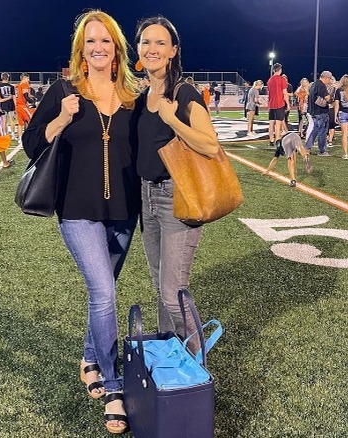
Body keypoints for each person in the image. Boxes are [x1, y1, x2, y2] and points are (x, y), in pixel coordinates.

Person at [22, 10, 139, 435]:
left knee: (102, 292)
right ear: (81, 50)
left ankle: (90, 357)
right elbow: (30, 144)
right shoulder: (63, 91)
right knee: (104, 292)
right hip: (77, 211)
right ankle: (113, 386)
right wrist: (60, 119)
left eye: (105, 41)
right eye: (91, 41)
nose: (98, 48)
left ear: (116, 48)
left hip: (125, 212)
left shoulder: (133, 95)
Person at [134, 12, 220, 375]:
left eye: (159, 42)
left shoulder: (183, 92)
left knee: (173, 291)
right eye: (145, 42)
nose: (152, 48)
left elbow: (210, 144)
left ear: (172, 51)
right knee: (159, 286)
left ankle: (195, 360)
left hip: (176, 198)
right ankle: (171, 352)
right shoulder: (142, 96)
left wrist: (172, 119)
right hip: (146, 198)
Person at [305, 71, 333, 156]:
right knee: (322, 131)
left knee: (315, 129)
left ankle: (307, 148)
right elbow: (327, 98)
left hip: (313, 111)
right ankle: (322, 150)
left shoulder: (314, 84)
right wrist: (331, 99)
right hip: (321, 112)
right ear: (326, 77)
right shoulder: (321, 85)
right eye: (329, 79)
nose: (329, 81)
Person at [267, 63, 289, 146]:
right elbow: (285, 92)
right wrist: (288, 104)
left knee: (271, 123)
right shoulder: (282, 79)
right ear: (280, 70)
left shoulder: (270, 80)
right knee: (278, 123)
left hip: (271, 103)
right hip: (279, 103)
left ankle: (271, 140)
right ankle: (277, 140)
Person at [15, 73, 34, 138]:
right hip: (23, 106)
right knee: (31, 120)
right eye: (28, 78)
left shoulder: (17, 85)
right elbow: (26, 96)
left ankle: (20, 138)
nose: (28, 80)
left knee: (20, 124)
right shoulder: (24, 84)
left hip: (18, 106)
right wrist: (33, 102)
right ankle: (30, 136)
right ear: (24, 78)